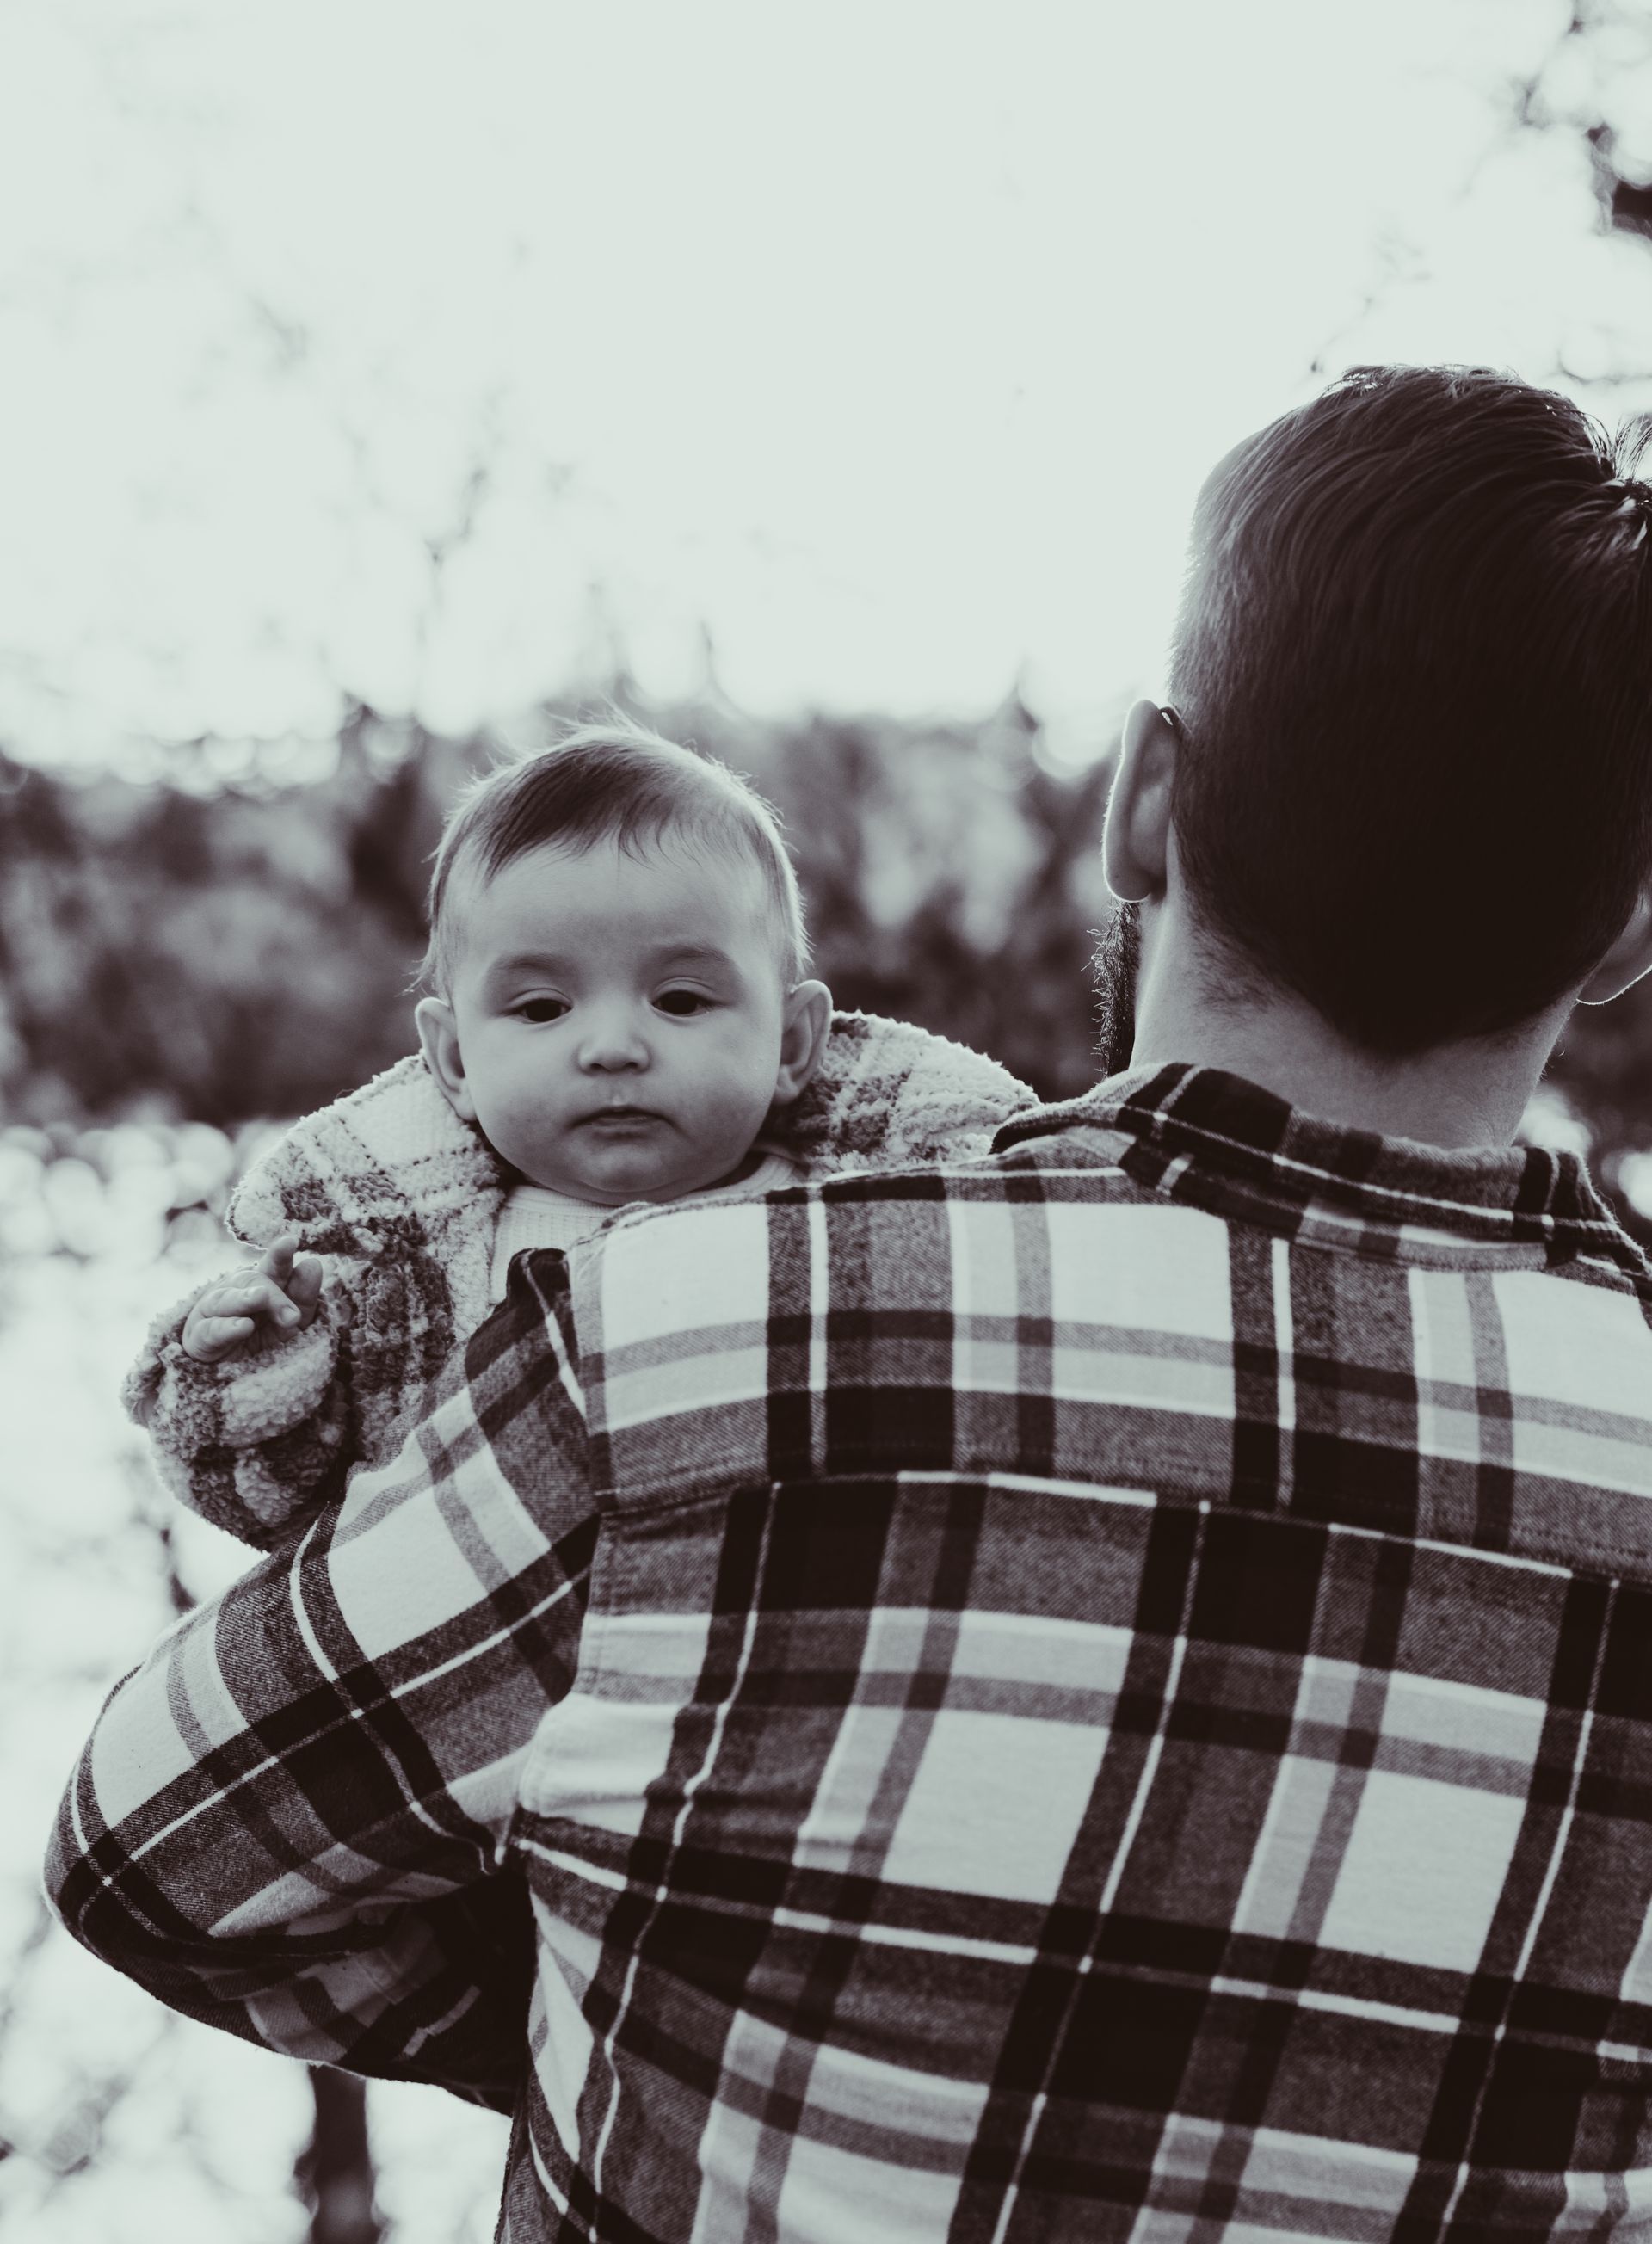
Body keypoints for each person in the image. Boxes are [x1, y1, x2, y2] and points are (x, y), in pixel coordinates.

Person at [47, 364, 1652, 2243]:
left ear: (1145, 804)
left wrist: (603, 2004)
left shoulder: (693, 1349)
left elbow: (156, 1857)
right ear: (1630, 930)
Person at [122, 723, 1033, 1544]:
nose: (611, 1047)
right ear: (455, 1061)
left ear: (793, 1041)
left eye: (679, 998)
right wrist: (251, 1372)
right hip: (489, 1673)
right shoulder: (400, 1279)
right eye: (543, 1007)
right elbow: (273, 1511)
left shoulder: (864, 1219)